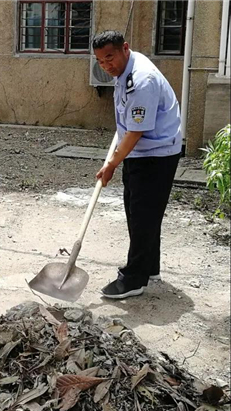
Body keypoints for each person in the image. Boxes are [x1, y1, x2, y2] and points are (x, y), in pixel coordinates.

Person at [92, 30, 181, 299]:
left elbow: (135, 132)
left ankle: (134, 279)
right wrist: (119, 158)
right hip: (141, 152)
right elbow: (128, 121)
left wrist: (111, 164)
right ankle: (149, 266)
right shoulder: (125, 71)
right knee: (141, 211)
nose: (107, 66)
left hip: (156, 155)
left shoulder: (142, 79)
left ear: (125, 49)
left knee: (142, 215)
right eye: (101, 61)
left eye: (110, 58)